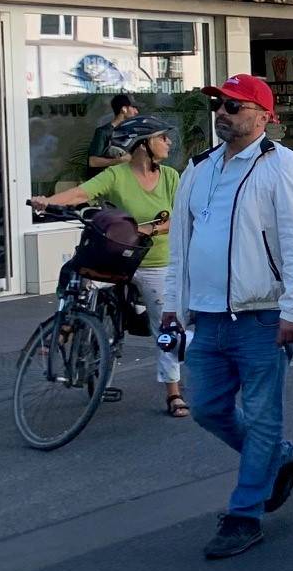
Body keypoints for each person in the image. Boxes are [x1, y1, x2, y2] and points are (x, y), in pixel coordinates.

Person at [160, 74, 293, 560]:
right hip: (206, 317)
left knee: (263, 416)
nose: (222, 113)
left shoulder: (285, 168)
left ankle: (245, 514)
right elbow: (180, 248)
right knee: (207, 407)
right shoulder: (200, 168)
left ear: (263, 116)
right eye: (218, 104)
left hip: (261, 315)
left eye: (233, 105)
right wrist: (172, 306)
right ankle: (283, 457)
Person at [32, 114, 184, 416]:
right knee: (78, 272)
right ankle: (66, 327)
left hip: (156, 262)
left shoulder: (170, 177)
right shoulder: (117, 175)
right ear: (143, 145)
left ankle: (173, 391)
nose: (168, 142)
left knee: (166, 327)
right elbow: (81, 193)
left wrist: (147, 230)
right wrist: (47, 202)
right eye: (161, 137)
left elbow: (178, 219)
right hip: (119, 258)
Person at [87, 93, 139, 170]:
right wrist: (120, 160)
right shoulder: (103, 132)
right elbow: (93, 162)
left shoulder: (133, 133)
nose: (136, 111)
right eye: (133, 107)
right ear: (124, 109)